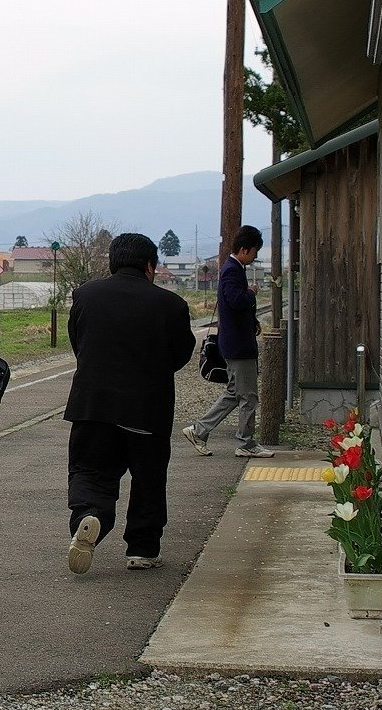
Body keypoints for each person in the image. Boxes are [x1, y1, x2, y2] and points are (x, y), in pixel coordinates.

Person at [62, 233, 195, 574]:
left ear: (112, 263)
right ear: (150, 265)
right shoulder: (171, 305)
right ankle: (142, 549)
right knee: (148, 477)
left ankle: (90, 515)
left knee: (90, 471)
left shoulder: (86, 296)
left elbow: (79, 342)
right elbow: (181, 353)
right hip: (147, 409)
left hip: (92, 404)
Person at [183, 225, 276, 459]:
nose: (254, 257)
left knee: (234, 393)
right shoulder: (232, 271)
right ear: (244, 249)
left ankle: (199, 431)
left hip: (235, 342)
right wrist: (251, 292)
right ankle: (246, 443)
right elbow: (236, 300)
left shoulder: (232, 268)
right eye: (254, 252)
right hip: (238, 346)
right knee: (248, 396)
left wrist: (253, 320)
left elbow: (234, 306)